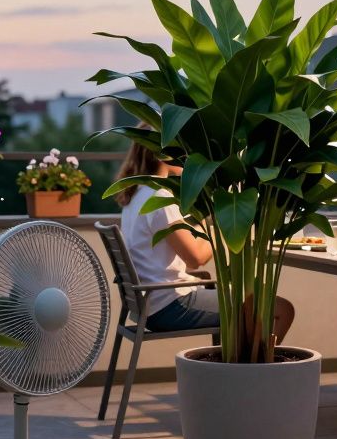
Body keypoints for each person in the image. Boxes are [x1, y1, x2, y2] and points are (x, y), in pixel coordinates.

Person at [116, 141, 295, 337]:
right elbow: (195, 259)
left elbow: (177, 237)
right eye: (183, 151)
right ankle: (260, 368)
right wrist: (227, 221)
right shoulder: (159, 199)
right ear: (163, 155)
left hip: (152, 304)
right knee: (282, 310)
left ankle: (231, 367)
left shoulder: (137, 195)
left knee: (240, 299)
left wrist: (207, 219)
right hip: (170, 306)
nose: (189, 159)